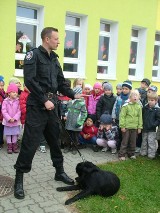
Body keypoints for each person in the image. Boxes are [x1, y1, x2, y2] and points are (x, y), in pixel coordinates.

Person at [14, 27, 82, 200]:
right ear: (46, 39)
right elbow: (30, 80)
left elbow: (60, 82)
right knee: (29, 144)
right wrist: (45, 99)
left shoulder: (54, 59)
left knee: (55, 141)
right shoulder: (33, 55)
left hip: (53, 107)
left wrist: (73, 93)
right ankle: (19, 180)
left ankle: (59, 172)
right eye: (56, 39)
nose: (59, 42)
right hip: (37, 107)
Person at [118, 90, 142, 160]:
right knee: (125, 141)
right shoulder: (126, 106)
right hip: (126, 127)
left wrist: (140, 127)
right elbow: (122, 116)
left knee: (133, 142)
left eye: (136, 95)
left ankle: (131, 153)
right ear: (130, 97)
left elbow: (140, 117)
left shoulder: (139, 106)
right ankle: (122, 154)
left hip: (134, 127)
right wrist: (122, 126)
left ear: (139, 97)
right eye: (133, 95)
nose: (135, 97)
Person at [64, 87, 87, 154]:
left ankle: (74, 148)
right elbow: (67, 111)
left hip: (76, 123)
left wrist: (80, 122)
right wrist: (65, 115)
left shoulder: (82, 103)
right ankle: (67, 146)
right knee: (68, 136)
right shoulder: (70, 102)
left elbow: (84, 113)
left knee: (75, 137)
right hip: (69, 122)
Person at [2, 84, 21, 154]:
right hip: (8, 121)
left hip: (15, 121)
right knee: (8, 134)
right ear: (9, 93)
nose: (15, 93)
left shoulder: (18, 101)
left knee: (15, 134)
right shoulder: (5, 101)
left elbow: (19, 110)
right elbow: (4, 111)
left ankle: (14, 146)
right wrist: (9, 118)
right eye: (13, 92)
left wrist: (15, 118)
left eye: (16, 92)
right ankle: (9, 147)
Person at [140, 93, 160, 159]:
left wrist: (154, 125)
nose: (150, 101)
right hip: (145, 128)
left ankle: (151, 154)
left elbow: (158, 119)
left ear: (156, 101)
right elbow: (142, 116)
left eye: (152, 100)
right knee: (144, 141)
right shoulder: (145, 108)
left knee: (151, 142)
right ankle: (143, 152)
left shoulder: (157, 109)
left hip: (152, 129)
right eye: (149, 100)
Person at [0, 76, 5, 149]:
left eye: (3, 85)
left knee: (1, 130)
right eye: (0, 85)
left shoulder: (3, 93)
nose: (2, 87)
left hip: (2, 116)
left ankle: (1, 142)